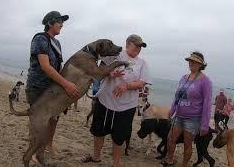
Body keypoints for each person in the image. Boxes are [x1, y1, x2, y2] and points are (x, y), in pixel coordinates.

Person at [81, 34, 151, 167]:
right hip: (105, 101)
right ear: (127, 44)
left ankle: (116, 164)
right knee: (98, 131)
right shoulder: (114, 55)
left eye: (140, 46)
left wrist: (126, 85)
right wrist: (109, 73)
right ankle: (96, 157)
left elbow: (142, 83)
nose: (138, 48)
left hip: (126, 106)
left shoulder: (142, 63)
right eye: (136, 45)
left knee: (119, 137)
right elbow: (99, 70)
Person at [25, 11, 80, 163]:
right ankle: (35, 151)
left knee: (54, 119)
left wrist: (65, 85)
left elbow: (58, 66)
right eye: (59, 22)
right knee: (39, 122)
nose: (62, 25)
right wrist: (66, 84)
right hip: (37, 87)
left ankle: (48, 144)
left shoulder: (57, 43)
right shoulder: (40, 39)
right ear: (50, 23)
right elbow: (46, 67)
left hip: (52, 89)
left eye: (62, 22)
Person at [162, 51, 212, 167]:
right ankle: (169, 160)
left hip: (193, 119)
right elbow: (177, 96)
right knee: (170, 139)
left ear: (200, 64)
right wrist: (172, 110)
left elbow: (207, 104)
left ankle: (184, 165)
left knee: (187, 144)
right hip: (179, 116)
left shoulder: (205, 81)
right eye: (190, 61)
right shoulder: (184, 78)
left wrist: (205, 125)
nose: (191, 63)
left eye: (194, 61)